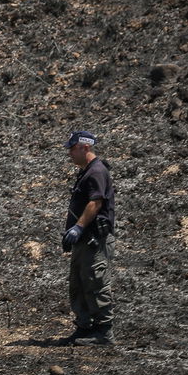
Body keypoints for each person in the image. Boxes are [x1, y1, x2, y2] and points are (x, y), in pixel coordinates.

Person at [61, 130, 116, 346]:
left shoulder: (96, 172)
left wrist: (78, 227)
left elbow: (96, 203)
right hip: (84, 239)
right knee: (79, 282)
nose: (70, 154)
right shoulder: (86, 172)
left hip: (94, 238)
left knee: (96, 281)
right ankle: (84, 327)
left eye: (73, 149)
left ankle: (103, 331)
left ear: (85, 147)